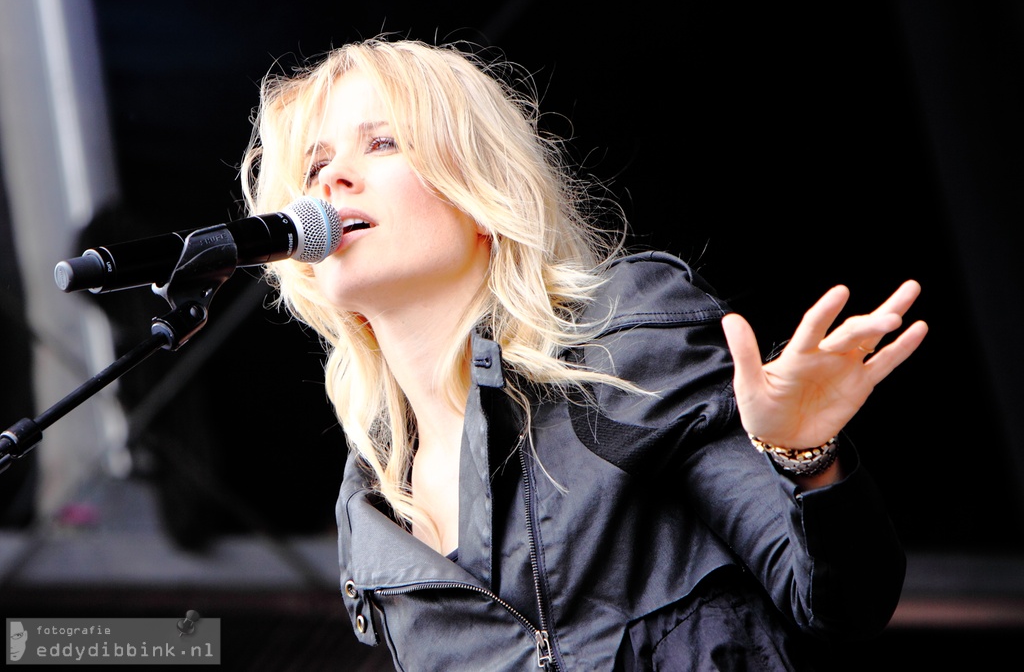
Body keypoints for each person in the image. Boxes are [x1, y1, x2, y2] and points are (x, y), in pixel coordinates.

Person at [239, 37, 928, 670]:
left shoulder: (620, 342)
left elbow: (840, 603)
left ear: (480, 188)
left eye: (383, 143)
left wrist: (806, 456)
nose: (331, 182)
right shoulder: (373, 516)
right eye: (316, 164)